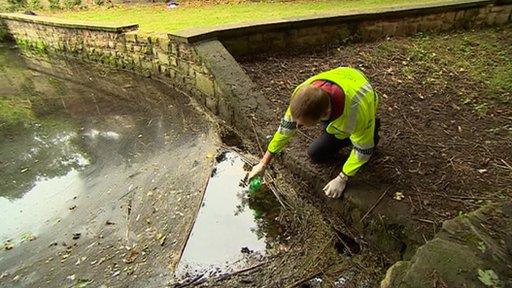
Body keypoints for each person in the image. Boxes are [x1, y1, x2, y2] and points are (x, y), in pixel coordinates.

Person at [248, 67, 380, 198]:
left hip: (361, 98)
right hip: (343, 81)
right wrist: (263, 163)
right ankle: (340, 133)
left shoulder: (355, 116)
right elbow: (286, 128)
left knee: (364, 146)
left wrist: (342, 178)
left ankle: (372, 129)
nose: (298, 126)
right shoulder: (303, 94)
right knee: (316, 154)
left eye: (303, 123)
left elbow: (363, 151)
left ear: (324, 114)